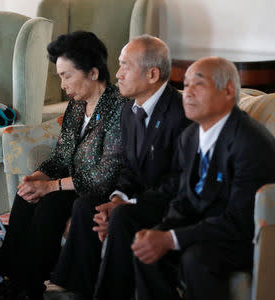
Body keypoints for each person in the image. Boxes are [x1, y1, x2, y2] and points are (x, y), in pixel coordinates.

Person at [129, 57, 275, 300]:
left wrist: (172, 238)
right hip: (214, 228)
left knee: (197, 258)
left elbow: (239, 221)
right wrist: (161, 231)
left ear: (227, 91)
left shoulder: (249, 142)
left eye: (198, 84)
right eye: (185, 84)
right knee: (146, 248)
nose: (187, 93)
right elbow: (184, 200)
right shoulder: (190, 136)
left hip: (254, 237)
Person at [52, 35, 191, 300]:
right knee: (85, 206)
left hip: (168, 202)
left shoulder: (180, 113)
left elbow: (178, 180)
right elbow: (128, 168)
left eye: (126, 66)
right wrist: (117, 197)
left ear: (152, 74)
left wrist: (127, 205)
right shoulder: (129, 111)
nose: (117, 74)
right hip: (140, 199)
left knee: (122, 217)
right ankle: (80, 290)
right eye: (119, 64)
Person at [0, 31, 128, 300]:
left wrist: (50, 187)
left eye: (67, 75)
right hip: (72, 185)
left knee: (50, 203)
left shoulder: (119, 106)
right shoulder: (77, 107)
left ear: (92, 72)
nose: (62, 84)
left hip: (104, 190)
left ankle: (28, 286)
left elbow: (105, 175)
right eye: (60, 76)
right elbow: (61, 158)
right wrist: (36, 177)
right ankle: (16, 281)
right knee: (27, 195)